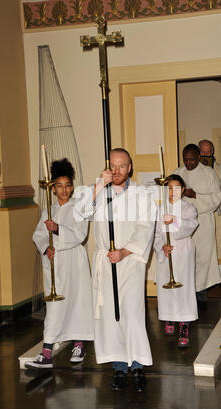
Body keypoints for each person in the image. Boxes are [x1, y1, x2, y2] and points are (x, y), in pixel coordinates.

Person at [73, 148, 156, 392]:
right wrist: (99, 187)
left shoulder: (141, 194)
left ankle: (138, 366)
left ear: (130, 167)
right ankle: (119, 369)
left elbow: (145, 227)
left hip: (129, 263)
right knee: (110, 317)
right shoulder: (96, 190)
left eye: (123, 166)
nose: (118, 171)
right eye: (114, 166)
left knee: (132, 315)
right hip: (105, 263)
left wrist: (125, 251)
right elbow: (79, 214)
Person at [25, 158, 94, 369]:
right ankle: (46, 352)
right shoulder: (48, 210)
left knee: (77, 302)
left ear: (72, 187)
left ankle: (79, 344)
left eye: (67, 185)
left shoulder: (78, 208)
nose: (64, 190)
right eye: (59, 186)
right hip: (55, 264)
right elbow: (38, 235)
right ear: (53, 188)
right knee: (54, 307)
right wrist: (46, 247)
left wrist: (57, 229)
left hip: (74, 262)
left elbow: (80, 235)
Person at [173, 144, 221, 306]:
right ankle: (184, 294)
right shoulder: (178, 173)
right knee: (185, 257)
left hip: (203, 223)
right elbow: (169, 196)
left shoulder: (208, 173)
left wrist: (195, 195)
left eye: (192, 160)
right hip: (183, 222)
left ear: (199, 157)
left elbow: (216, 198)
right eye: (185, 160)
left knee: (202, 258)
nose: (188, 163)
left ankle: (200, 294)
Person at [154, 174, 198, 347]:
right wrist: (162, 246)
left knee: (183, 288)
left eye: (177, 188)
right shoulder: (160, 209)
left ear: (183, 189)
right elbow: (156, 233)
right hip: (167, 252)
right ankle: (169, 317)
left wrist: (174, 220)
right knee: (166, 288)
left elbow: (190, 225)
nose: (173, 192)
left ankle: (184, 325)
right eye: (169, 188)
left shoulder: (188, 208)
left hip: (182, 252)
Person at [198, 139, 221, 284]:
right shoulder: (194, 170)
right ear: (198, 152)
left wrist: (215, 202)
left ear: (213, 152)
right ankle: (205, 280)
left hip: (217, 212)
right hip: (202, 214)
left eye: (209, 151)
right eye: (203, 151)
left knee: (220, 245)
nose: (206, 154)